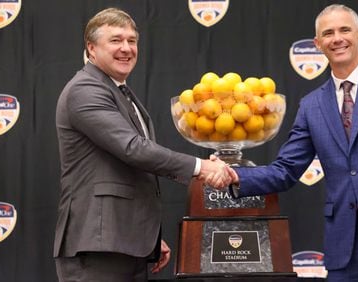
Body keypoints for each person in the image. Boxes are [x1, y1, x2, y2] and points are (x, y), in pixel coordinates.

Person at [219, 4, 358, 281]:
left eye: (344, 30)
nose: (337, 38)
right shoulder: (311, 105)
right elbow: (286, 170)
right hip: (343, 246)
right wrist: (231, 174)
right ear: (318, 44)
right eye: (328, 33)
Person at [54, 8, 229, 282]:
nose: (126, 48)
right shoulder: (85, 89)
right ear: (91, 48)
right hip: (98, 246)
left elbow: (128, 170)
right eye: (115, 40)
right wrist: (201, 167)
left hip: (124, 243)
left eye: (132, 40)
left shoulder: (119, 90)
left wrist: (147, 236)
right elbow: (133, 149)